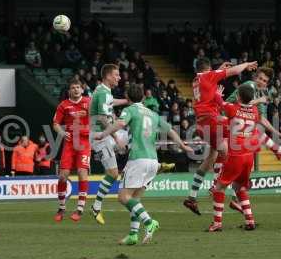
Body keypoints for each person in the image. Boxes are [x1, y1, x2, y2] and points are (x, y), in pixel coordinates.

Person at [95, 85, 193, 245]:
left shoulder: (130, 110)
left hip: (138, 160)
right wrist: (182, 145)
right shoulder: (153, 113)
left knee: (123, 197)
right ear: (142, 97)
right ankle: (133, 235)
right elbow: (170, 130)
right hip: (153, 161)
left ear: (128, 97)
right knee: (135, 199)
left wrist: (103, 134)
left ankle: (149, 222)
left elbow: (120, 124)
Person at [183, 58, 258, 214]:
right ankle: (217, 185)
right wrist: (246, 65)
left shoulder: (196, 80)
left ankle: (191, 198)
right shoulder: (208, 76)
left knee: (211, 157)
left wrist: (218, 71)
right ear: (208, 68)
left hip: (201, 123)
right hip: (212, 120)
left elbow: (210, 84)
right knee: (236, 136)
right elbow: (234, 71)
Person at [209, 83, 259, 232]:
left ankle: (217, 223)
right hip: (249, 156)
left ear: (238, 96)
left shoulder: (233, 108)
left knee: (219, 188)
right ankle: (250, 220)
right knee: (239, 187)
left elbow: (220, 103)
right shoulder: (255, 111)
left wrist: (217, 93)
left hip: (236, 154)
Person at [89, 64, 129, 225]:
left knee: (131, 137)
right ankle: (96, 206)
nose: (119, 77)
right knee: (113, 173)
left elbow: (111, 102)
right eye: (116, 75)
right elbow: (103, 119)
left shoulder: (103, 91)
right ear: (107, 76)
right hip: (100, 137)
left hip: (102, 136)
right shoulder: (104, 93)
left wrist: (127, 100)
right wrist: (115, 137)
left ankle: (132, 173)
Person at [53, 79, 91, 222]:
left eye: (78, 87)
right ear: (69, 91)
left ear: (82, 90)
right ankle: (62, 207)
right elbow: (56, 124)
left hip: (84, 142)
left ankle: (80, 208)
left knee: (82, 172)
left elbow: (100, 114)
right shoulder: (64, 105)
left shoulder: (89, 102)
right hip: (69, 143)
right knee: (63, 176)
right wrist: (62, 133)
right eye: (73, 88)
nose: (76, 90)